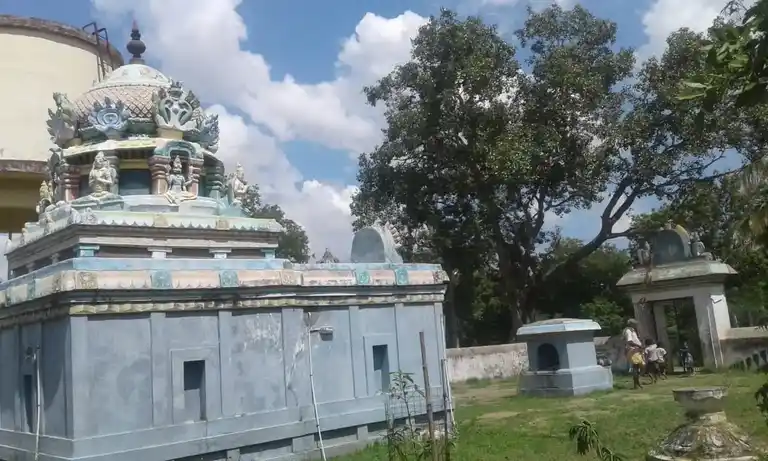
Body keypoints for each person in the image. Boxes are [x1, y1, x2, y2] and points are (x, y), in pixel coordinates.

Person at [623, 319, 644, 389]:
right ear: (631, 324)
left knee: (638, 366)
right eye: (635, 324)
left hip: (636, 350)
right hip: (633, 350)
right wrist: (639, 346)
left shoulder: (632, 330)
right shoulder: (628, 331)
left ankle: (637, 383)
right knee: (635, 367)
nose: (636, 325)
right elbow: (630, 342)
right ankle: (636, 384)